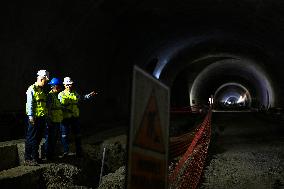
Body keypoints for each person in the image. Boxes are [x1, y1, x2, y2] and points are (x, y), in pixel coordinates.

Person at [58, 76, 97, 158]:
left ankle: (79, 151)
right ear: (64, 85)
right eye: (67, 84)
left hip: (74, 117)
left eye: (70, 84)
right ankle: (65, 152)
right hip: (65, 118)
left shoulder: (75, 93)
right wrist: (66, 110)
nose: (69, 86)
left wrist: (89, 95)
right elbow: (59, 106)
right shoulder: (61, 94)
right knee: (64, 135)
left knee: (78, 135)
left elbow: (81, 98)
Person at [25, 69, 49, 165]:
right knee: (31, 138)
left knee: (38, 138)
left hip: (41, 118)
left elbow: (43, 105)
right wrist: (31, 116)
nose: (46, 83)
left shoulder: (41, 90)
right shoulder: (32, 89)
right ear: (41, 78)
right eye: (45, 81)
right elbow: (29, 104)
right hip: (34, 118)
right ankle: (28, 158)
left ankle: (35, 157)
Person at [44, 77, 63, 161]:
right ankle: (48, 156)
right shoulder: (50, 96)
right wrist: (48, 120)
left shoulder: (57, 95)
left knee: (54, 139)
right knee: (50, 139)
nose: (60, 88)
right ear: (54, 86)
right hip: (52, 121)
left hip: (57, 120)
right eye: (58, 86)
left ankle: (52, 154)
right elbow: (48, 109)